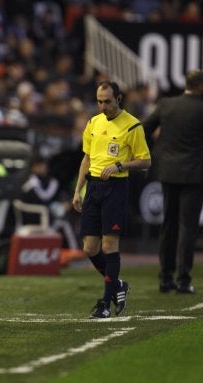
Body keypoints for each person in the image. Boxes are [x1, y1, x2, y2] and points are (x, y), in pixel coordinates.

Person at [72, 80, 151, 319]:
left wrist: (120, 165)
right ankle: (118, 285)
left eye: (107, 101)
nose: (102, 106)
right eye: (99, 101)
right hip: (93, 187)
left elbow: (145, 161)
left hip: (116, 187)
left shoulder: (132, 126)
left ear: (118, 99)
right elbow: (86, 158)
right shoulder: (93, 123)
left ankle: (105, 303)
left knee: (109, 246)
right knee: (89, 248)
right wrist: (78, 190)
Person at [142, 69, 203, 294]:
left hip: (167, 171)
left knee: (168, 225)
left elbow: (144, 128)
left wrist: (155, 152)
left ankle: (165, 279)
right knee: (187, 227)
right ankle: (184, 280)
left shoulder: (167, 105)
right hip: (194, 174)